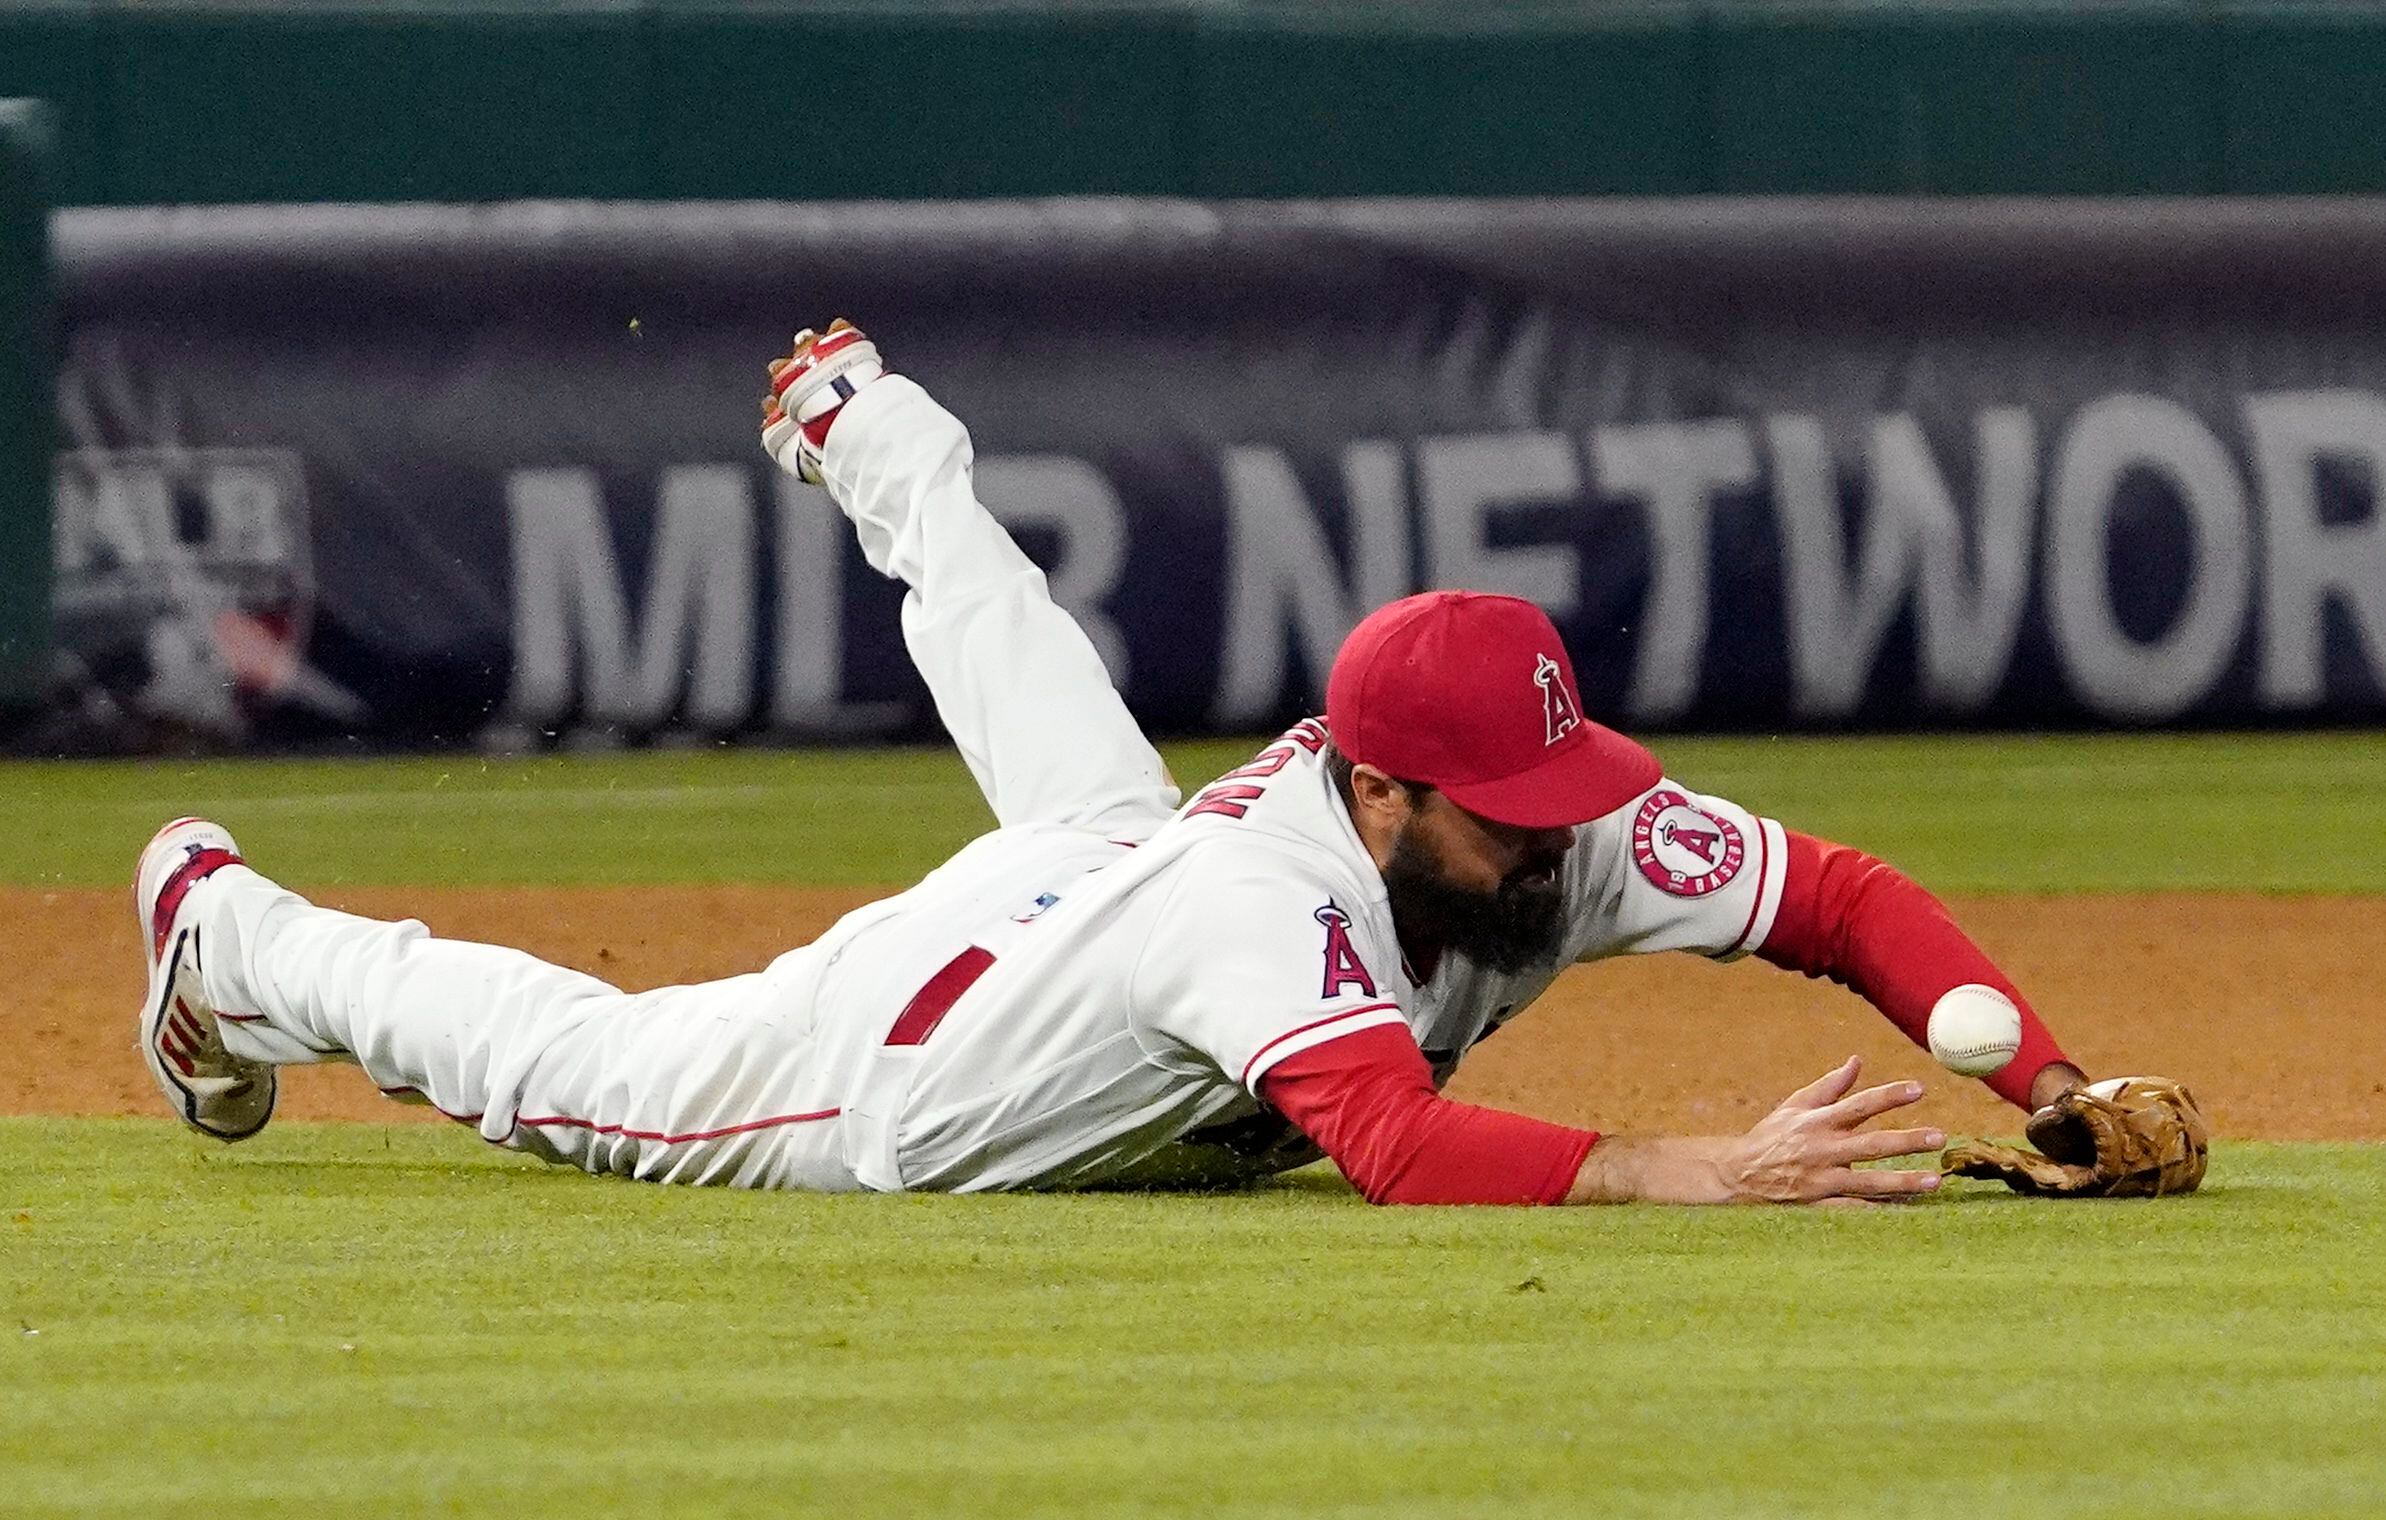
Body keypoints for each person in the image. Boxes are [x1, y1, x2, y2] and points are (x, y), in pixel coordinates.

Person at [134, 320, 2090, 1206]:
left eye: (1560, 794)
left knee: (1055, 722)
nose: (1565, 845)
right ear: (1383, 794)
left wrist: (2051, 1075)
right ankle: (228, 934)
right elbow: (1395, 1150)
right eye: (1512, 813)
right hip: (896, 1066)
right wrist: (1685, 1171)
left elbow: (1828, 893)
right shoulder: (1275, 902)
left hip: (1107, 880)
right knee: (555, 1066)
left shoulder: (1532, 810)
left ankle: (863, 427)